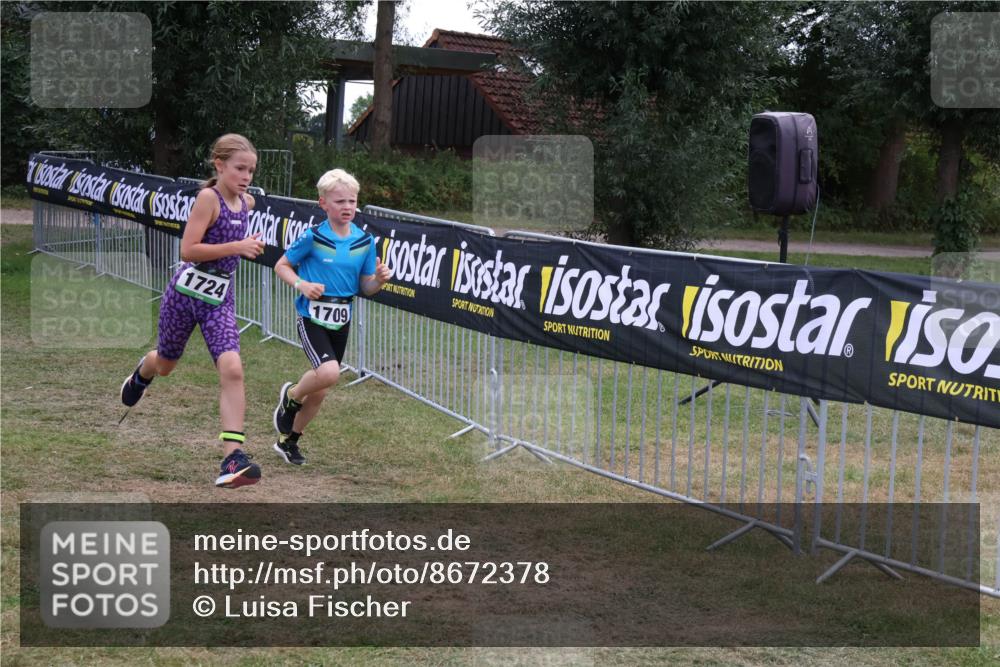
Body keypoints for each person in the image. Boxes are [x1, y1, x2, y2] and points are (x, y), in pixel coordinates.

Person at [119, 133, 266, 489]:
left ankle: (233, 457)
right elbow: (188, 249)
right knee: (166, 365)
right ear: (219, 165)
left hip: (219, 299)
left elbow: (243, 225)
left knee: (232, 368)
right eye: (239, 168)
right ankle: (143, 371)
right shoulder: (208, 198)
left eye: (251, 170)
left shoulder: (246, 204)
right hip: (184, 294)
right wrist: (237, 245)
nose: (246, 177)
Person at [271, 169, 391, 465]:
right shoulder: (313, 237)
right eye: (339, 201)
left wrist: (379, 280)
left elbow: (366, 287)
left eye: (352, 201)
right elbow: (282, 265)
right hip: (310, 314)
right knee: (329, 373)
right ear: (323, 203)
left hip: (341, 316)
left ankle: (289, 441)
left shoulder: (365, 241)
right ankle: (291, 397)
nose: (347, 207)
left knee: (322, 390)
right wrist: (302, 284)